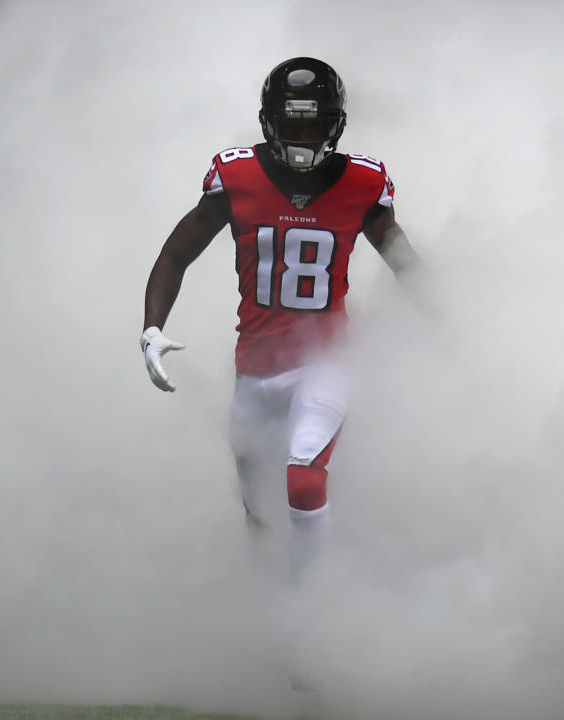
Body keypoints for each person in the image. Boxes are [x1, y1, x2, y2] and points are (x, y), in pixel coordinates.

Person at [141, 57, 420, 583]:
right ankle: (271, 607)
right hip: (255, 371)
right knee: (259, 517)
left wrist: (454, 328)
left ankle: (308, 627)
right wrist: (151, 328)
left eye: (313, 122)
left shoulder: (362, 183)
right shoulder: (238, 175)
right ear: (270, 120)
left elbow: (407, 266)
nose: (302, 133)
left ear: (334, 124)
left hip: (323, 363)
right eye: (292, 122)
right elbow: (176, 254)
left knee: (305, 481)